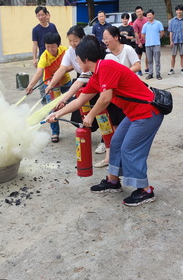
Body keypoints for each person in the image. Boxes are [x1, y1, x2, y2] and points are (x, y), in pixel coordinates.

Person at [46, 38, 165, 207]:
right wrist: (57, 114)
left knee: (129, 148)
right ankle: (112, 181)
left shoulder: (106, 66)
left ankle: (145, 191)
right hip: (134, 113)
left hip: (148, 113)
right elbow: (79, 100)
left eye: (77, 58)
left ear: (86, 58)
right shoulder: (96, 75)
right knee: (116, 142)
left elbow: (105, 98)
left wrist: (90, 115)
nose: (76, 62)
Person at [95, 26, 141, 168]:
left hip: (126, 92)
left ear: (116, 37)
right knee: (112, 121)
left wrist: (122, 75)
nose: (105, 41)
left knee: (124, 122)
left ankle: (123, 151)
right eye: (103, 38)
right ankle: (111, 148)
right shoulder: (106, 53)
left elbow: (137, 66)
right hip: (112, 92)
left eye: (107, 38)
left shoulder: (127, 49)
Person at [26, 32, 71, 143]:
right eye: (47, 46)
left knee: (74, 102)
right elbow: (39, 73)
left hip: (65, 81)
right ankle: (55, 132)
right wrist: (30, 85)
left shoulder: (65, 51)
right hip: (51, 85)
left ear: (58, 45)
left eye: (53, 46)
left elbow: (73, 65)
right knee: (52, 108)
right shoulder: (44, 56)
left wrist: (62, 71)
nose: (50, 49)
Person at [142, 9, 164, 80]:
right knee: (150, 61)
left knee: (157, 60)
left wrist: (157, 38)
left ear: (153, 15)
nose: (149, 16)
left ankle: (158, 74)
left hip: (156, 44)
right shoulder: (145, 25)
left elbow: (162, 32)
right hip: (148, 45)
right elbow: (143, 34)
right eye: (147, 15)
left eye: (150, 15)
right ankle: (150, 74)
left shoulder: (158, 23)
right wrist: (147, 39)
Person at [167, 4, 183, 75]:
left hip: (182, 40)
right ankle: (172, 68)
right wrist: (171, 41)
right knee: (173, 55)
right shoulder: (172, 21)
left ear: (182, 11)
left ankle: (182, 68)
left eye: (180, 10)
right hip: (174, 40)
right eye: (177, 10)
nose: (179, 11)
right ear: (175, 11)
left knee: (182, 55)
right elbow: (170, 31)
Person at [132, 6, 148, 75]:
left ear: (142, 11)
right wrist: (139, 43)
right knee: (138, 57)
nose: (139, 13)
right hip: (139, 42)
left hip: (147, 41)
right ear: (136, 13)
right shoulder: (135, 22)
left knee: (148, 55)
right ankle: (139, 69)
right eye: (137, 12)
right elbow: (136, 33)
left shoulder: (146, 20)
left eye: (140, 11)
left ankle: (147, 68)